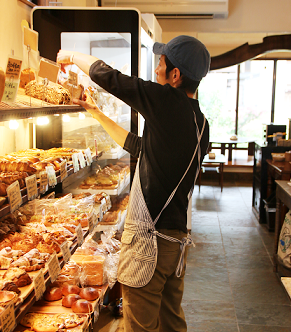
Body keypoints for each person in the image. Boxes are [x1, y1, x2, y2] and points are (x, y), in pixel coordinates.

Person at [57, 35, 210, 332]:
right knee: (171, 322)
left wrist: (71, 56)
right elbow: (140, 147)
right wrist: (95, 112)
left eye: (161, 65)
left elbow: (112, 79)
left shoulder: (167, 100)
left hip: (148, 245)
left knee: (139, 326)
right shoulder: (200, 122)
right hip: (175, 245)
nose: (156, 71)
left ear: (175, 75)